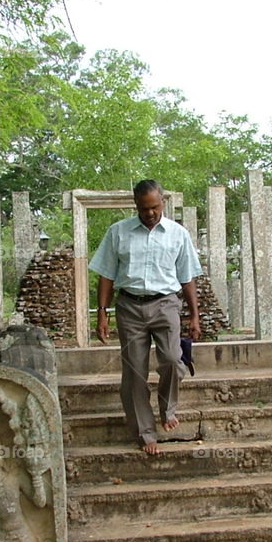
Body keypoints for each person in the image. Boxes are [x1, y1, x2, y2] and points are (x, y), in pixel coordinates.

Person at [89, 179, 202, 455]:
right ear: (135, 205)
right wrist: (102, 314)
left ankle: (168, 408)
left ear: (162, 202)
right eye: (143, 209)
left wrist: (194, 316)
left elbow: (186, 278)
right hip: (129, 307)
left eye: (154, 207)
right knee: (134, 374)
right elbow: (106, 275)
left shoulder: (177, 234)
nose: (149, 213)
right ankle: (145, 432)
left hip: (166, 304)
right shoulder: (118, 232)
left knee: (173, 361)